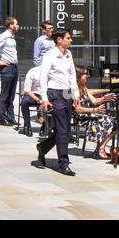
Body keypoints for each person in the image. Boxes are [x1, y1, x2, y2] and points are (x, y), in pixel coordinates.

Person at [35, 27, 79, 175]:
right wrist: (44, 99)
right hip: (54, 93)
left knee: (65, 130)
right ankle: (63, 164)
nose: (71, 40)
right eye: (68, 37)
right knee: (61, 130)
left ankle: (43, 147)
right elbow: (43, 78)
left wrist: (76, 95)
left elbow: (72, 75)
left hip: (66, 93)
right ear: (59, 40)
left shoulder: (68, 54)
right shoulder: (49, 55)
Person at [75, 65, 114, 158]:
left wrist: (105, 98)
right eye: (85, 74)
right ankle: (100, 150)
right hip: (82, 117)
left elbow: (94, 101)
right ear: (78, 75)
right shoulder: (73, 89)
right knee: (110, 121)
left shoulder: (83, 86)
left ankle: (101, 147)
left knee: (117, 121)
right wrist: (94, 110)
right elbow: (78, 109)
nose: (87, 76)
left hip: (90, 114)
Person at [20, 64, 43, 137]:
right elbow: (27, 90)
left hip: (47, 94)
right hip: (33, 94)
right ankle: (27, 126)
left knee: (55, 102)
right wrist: (38, 99)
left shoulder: (53, 72)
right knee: (24, 102)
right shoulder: (33, 71)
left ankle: (45, 126)